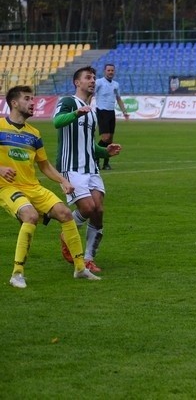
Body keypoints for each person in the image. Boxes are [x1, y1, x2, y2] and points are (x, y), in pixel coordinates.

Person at [2, 85, 100, 288]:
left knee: (65, 213)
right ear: (14, 103)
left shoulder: (34, 134)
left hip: (32, 186)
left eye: (33, 99)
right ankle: (17, 274)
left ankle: (80, 268)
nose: (33, 103)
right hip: (7, 187)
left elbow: (44, 165)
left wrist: (63, 181)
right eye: (27, 99)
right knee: (30, 216)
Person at [54, 66, 122, 274]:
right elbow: (56, 122)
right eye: (88, 78)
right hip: (71, 167)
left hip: (90, 168)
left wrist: (104, 151)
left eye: (94, 77)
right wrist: (75, 113)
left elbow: (88, 145)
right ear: (77, 82)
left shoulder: (91, 112)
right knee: (86, 208)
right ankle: (67, 235)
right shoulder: (67, 102)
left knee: (98, 211)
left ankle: (89, 258)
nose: (92, 80)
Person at [94, 63, 129, 170]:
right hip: (101, 111)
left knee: (110, 139)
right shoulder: (99, 82)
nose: (110, 72)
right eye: (108, 70)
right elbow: (91, 94)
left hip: (111, 112)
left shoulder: (116, 84)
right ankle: (95, 158)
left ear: (114, 71)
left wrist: (124, 111)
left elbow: (118, 98)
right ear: (104, 71)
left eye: (112, 70)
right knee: (105, 138)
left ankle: (106, 163)